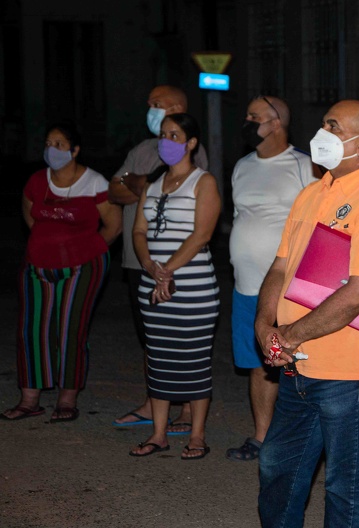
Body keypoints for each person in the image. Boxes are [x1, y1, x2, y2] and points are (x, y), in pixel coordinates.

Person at [254, 100, 359, 527]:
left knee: (346, 488)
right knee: (277, 469)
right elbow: (281, 266)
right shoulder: (311, 194)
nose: (321, 133)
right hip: (296, 365)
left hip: (347, 374)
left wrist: (288, 335)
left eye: (332, 126)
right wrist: (264, 325)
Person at [2, 122, 121, 422]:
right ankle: (29, 400)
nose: (51, 150)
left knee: (70, 329)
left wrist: (84, 250)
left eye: (59, 144)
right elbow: (31, 218)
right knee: (32, 330)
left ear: (75, 150)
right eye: (48, 143)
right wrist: (50, 246)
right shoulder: (36, 181)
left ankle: (67, 399)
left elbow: (113, 225)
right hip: (37, 266)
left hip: (82, 267)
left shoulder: (94, 182)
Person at [109, 85, 208, 434]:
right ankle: (155, 404)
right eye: (149, 103)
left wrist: (136, 183)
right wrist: (139, 183)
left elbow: (179, 196)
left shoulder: (192, 151)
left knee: (184, 339)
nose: (150, 109)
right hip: (139, 262)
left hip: (179, 266)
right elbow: (114, 190)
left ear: (178, 107)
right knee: (152, 338)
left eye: (157, 104)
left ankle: (186, 411)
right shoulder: (142, 149)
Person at [225, 95, 314, 461]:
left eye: (254, 116)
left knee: (294, 363)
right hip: (246, 286)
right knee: (259, 363)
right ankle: (261, 438)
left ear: (276, 123)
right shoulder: (242, 166)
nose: (246, 121)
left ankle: (297, 440)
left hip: (288, 290)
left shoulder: (304, 166)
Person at [127, 113, 221, 459]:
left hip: (193, 290)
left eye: (174, 135)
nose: (166, 141)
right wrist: (150, 266)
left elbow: (202, 235)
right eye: (163, 135)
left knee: (194, 359)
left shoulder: (203, 182)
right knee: (158, 359)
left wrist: (165, 270)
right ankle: (158, 434)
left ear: (191, 143)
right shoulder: (152, 184)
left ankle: (197, 435)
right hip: (153, 285)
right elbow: (139, 231)